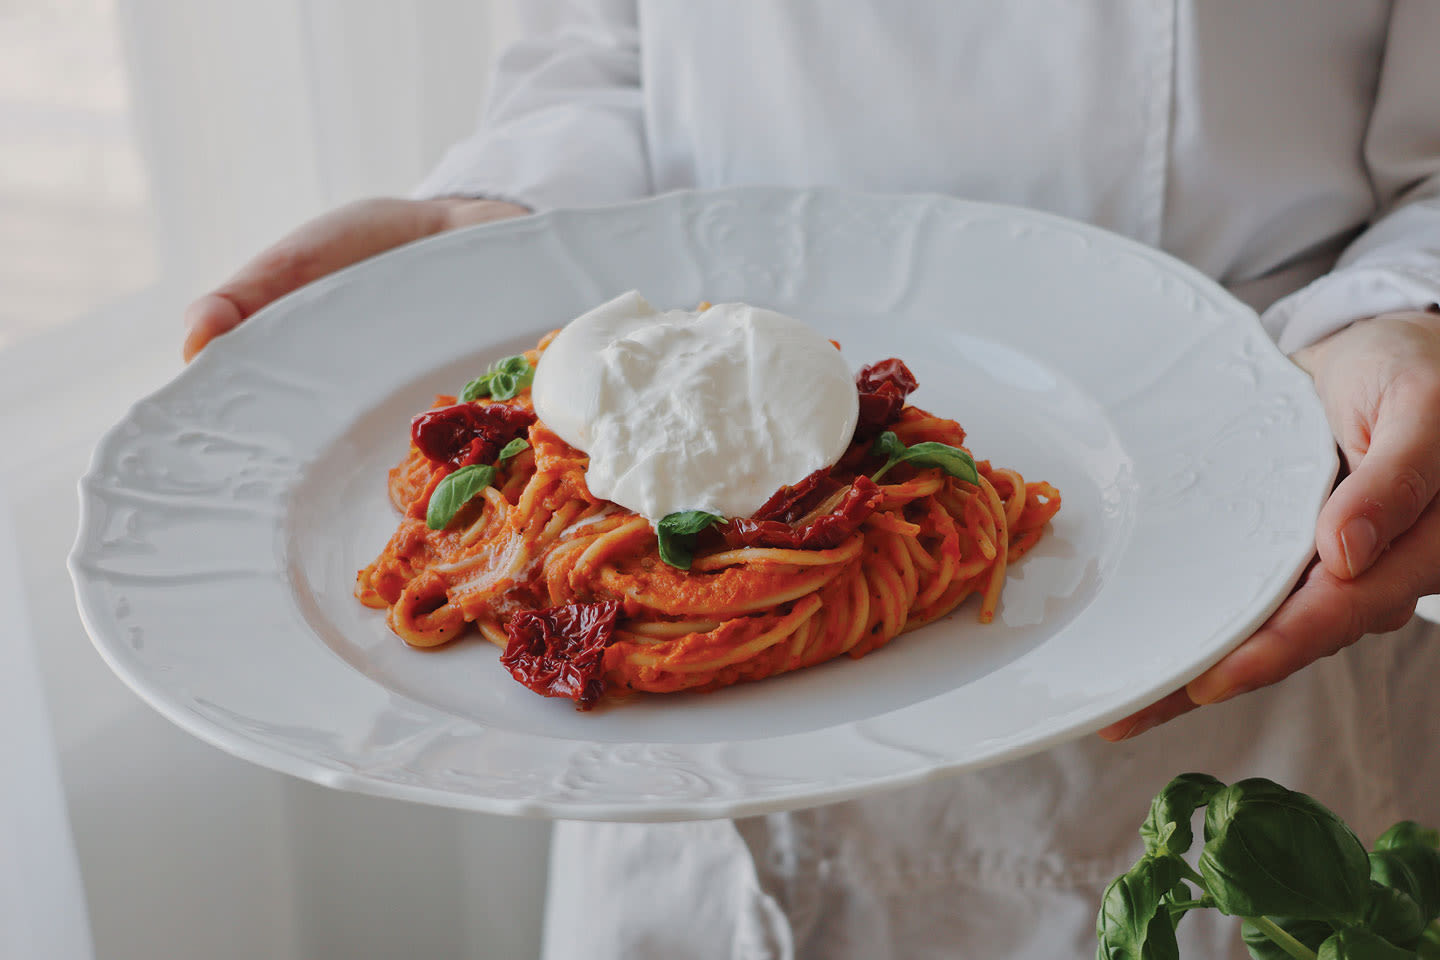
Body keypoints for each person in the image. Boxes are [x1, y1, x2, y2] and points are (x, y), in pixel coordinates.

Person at [183, 5, 1440, 957]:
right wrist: (515, 219)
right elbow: (600, 43)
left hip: (1228, 583)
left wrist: (1402, 313)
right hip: (656, 755)